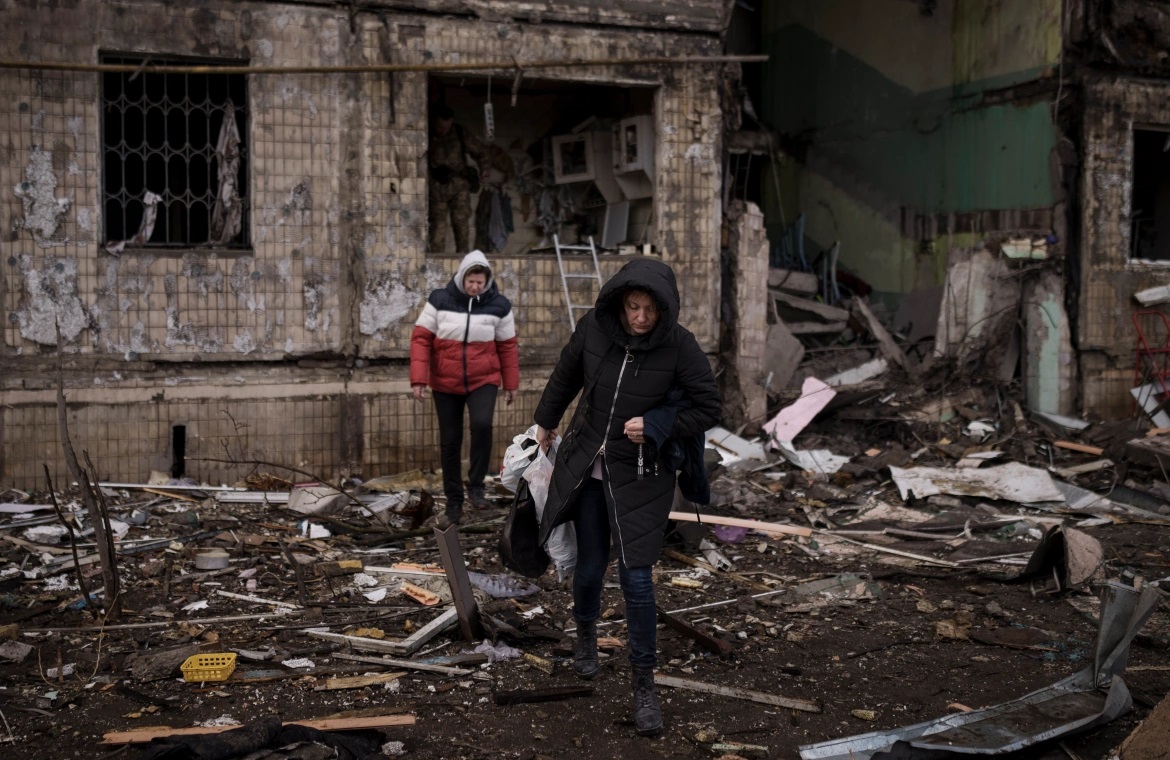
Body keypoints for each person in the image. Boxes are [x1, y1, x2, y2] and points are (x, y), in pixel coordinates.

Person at [532, 258, 721, 737]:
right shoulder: (596, 328)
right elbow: (567, 371)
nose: (639, 317)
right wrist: (546, 419)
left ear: (664, 309)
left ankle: (644, 684)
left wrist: (657, 424)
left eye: (649, 310)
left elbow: (708, 406)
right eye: (633, 307)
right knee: (590, 565)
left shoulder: (681, 346)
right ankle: (586, 638)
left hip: (642, 474)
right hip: (587, 465)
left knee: (637, 577)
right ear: (620, 304)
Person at [411, 250, 519, 527]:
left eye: (480, 282)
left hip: (483, 379)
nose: (475, 287)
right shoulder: (440, 300)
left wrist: (511, 384)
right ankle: (454, 501)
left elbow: (507, 346)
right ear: (462, 278)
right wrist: (419, 379)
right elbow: (421, 339)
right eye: (471, 281)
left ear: (487, 281)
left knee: (482, 425)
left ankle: (477, 487)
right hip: (445, 382)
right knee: (450, 439)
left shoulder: (499, 305)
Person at [428, 103, 487, 253]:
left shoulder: (460, 133)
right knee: (437, 230)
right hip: (436, 186)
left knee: (461, 226)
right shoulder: (426, 132)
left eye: (446, 127)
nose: (443, 131)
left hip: (459, 185)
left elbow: (480, 151)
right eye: (440, 127)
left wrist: (485, 169)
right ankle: (437, 266)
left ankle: (464, 263)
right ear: (435, 122)